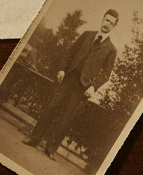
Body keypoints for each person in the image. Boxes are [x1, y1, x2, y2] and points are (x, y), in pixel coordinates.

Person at [22, 10, 119, 159]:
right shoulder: (87, 35)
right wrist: (62, 69)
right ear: (103, 19)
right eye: (106, 20)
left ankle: (51, 149)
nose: (107, 24)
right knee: (51, 107)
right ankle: (34, 138)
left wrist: (93, 87)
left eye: (111, 23)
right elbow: (70, 53)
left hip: (82, 87)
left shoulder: (111, 49)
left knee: (66, 118)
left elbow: (106, 74)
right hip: (68, 79)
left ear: (114, 26)